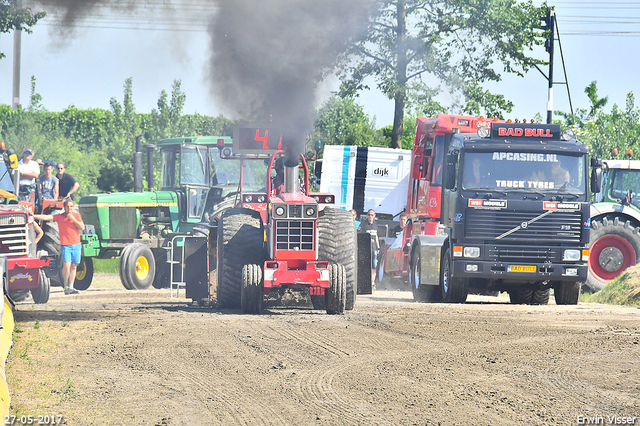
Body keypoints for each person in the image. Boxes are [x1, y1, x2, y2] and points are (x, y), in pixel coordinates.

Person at [34, 198, 85, 295]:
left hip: (76, 244)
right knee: (66, 265)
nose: (69, 209)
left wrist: (72, 219)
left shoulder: (77, 216)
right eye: (67, 207)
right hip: (66, 245)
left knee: (74, 266)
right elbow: (46, 218)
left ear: (73, 207)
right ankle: (65, 285)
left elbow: (82, 227)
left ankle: (71, 286)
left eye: (71, 207)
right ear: (64, 207)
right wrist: (33, 216)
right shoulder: (59, 217)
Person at [358, 209, 379, 286]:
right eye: (369, 215)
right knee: (365, 265)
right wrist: (367, 240)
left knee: (374, 266)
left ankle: (372, 282)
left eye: (372, 215)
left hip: (374, 249)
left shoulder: (375, 225)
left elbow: (376, 236)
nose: (370, 216)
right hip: (365, 249)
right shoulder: (364, 225)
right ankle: (364, 282)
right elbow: (360, 236)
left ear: (374, 215)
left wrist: (378, 247)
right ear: (367, 215)